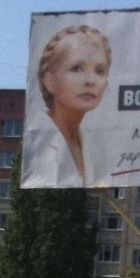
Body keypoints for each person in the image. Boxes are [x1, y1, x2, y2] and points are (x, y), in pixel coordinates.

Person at [35, 25, 112, 185]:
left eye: (99, 71)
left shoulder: (92, 146)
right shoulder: (37, 140)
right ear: (50, 81)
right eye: (77, 69)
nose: (91, 81)